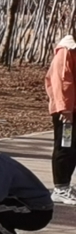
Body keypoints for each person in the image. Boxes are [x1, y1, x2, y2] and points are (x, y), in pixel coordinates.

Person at [46, 32, 75, 205]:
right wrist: (65, 109)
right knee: (65, 147)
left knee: (73, 148)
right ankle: (60, 188)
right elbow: (62, 81)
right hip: (67, 111)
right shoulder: (66, 51)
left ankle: (67, 186)